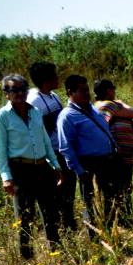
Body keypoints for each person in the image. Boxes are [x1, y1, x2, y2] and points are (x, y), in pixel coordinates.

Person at [0, 74, 63, 258]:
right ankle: (27, 257)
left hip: (42, 167)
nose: (19, 93)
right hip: (20, 170)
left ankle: (56, 252)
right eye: (14, 90)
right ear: (6, 93)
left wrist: (55, 165)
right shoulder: (1, 116)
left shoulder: (35, 112)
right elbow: (0, 149)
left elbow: (45, 140)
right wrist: (6, 177)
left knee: (50, 213)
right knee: (25, 217)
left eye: (23, 89)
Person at [57, 75, 121, 232]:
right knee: (91, 203)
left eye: (87, 90)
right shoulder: (67, 116)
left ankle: (110, 234)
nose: (87, 93)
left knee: (108, 201)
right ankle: (95, 239)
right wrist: (80, 171)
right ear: (70, 92)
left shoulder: (91, 108)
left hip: (106, 161)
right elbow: (66, 147)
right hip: (89, 165)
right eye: (83, 90)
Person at [93, 78, 133, 228]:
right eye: (113, 88)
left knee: (125, 188)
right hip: (116, 157)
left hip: (126, 157)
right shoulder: (107, 105)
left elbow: (131, 120)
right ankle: (114, 222)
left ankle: (126, 218)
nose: (115, 91)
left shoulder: (114, 108)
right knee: (115, 190)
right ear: (108, 91)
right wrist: (120, 103)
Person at [27, 62, 76, 231]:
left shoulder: (53, 95)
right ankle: (60, 229)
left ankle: (70, 225)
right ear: (46, 79)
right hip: (52, 154)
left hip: (64, 150)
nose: (58, 77)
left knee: (69, 191)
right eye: (55, 75)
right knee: (57, 194)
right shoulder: (33, 101)